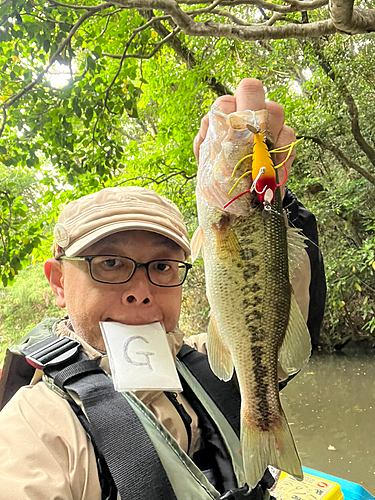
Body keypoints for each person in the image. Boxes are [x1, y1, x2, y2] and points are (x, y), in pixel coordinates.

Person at [0, 79, 326, 500]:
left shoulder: (207, 366)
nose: (140, 290)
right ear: (60, 282)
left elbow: (281, 316)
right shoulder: (35, 428)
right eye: (110, 264)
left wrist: (273, 202)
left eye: (161, 266)